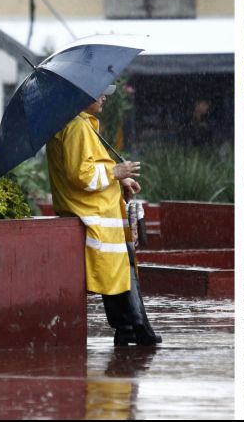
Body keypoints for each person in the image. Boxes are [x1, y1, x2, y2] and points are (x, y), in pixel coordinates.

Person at [46, 84, 162, 345]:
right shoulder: (76, 127)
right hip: (94, 213)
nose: (104, 97)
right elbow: (81, 175)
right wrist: (115, 173)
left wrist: (119, 181)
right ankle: (134, 327)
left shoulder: (81, 125)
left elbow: (88, 167)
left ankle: (130, 329)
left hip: (99, 211)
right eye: (98, 92)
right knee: (119, 270)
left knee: (118, 271)